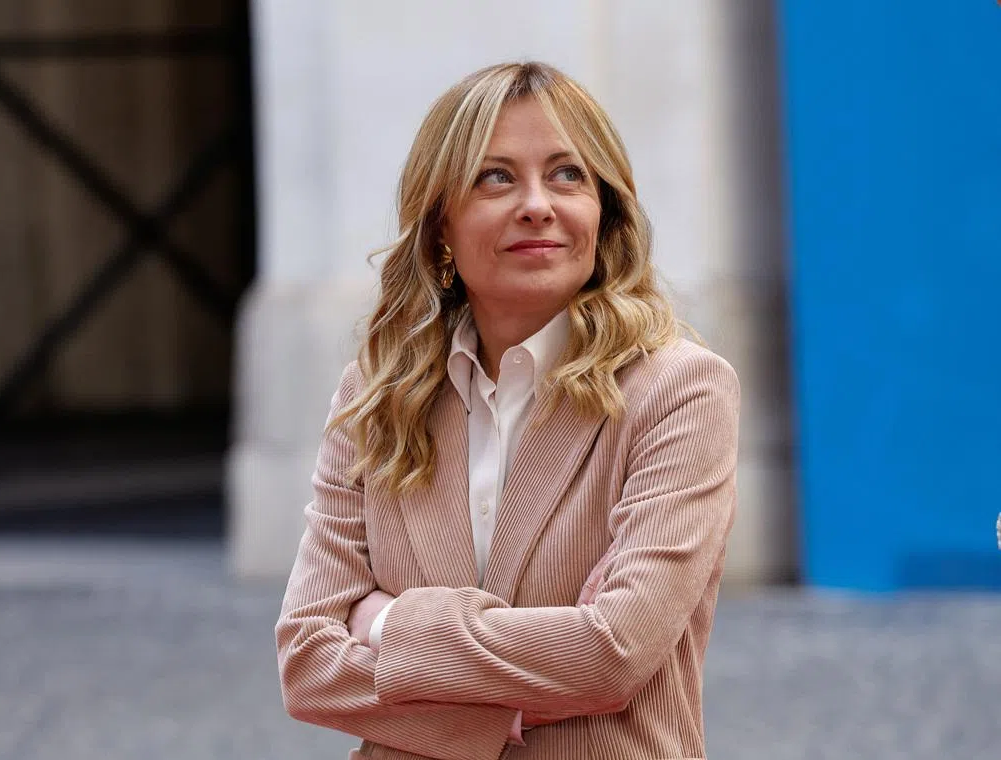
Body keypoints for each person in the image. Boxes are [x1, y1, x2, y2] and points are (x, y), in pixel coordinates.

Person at [275, 61, 739, 760]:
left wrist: (388, 623)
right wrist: (517, 706)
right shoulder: (376, 394)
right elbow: (308, 666)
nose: (537, 204)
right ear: (440, 227)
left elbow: (613, 651)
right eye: (495, 178)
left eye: (567, 175)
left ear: (604, 214)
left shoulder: (680, 391)